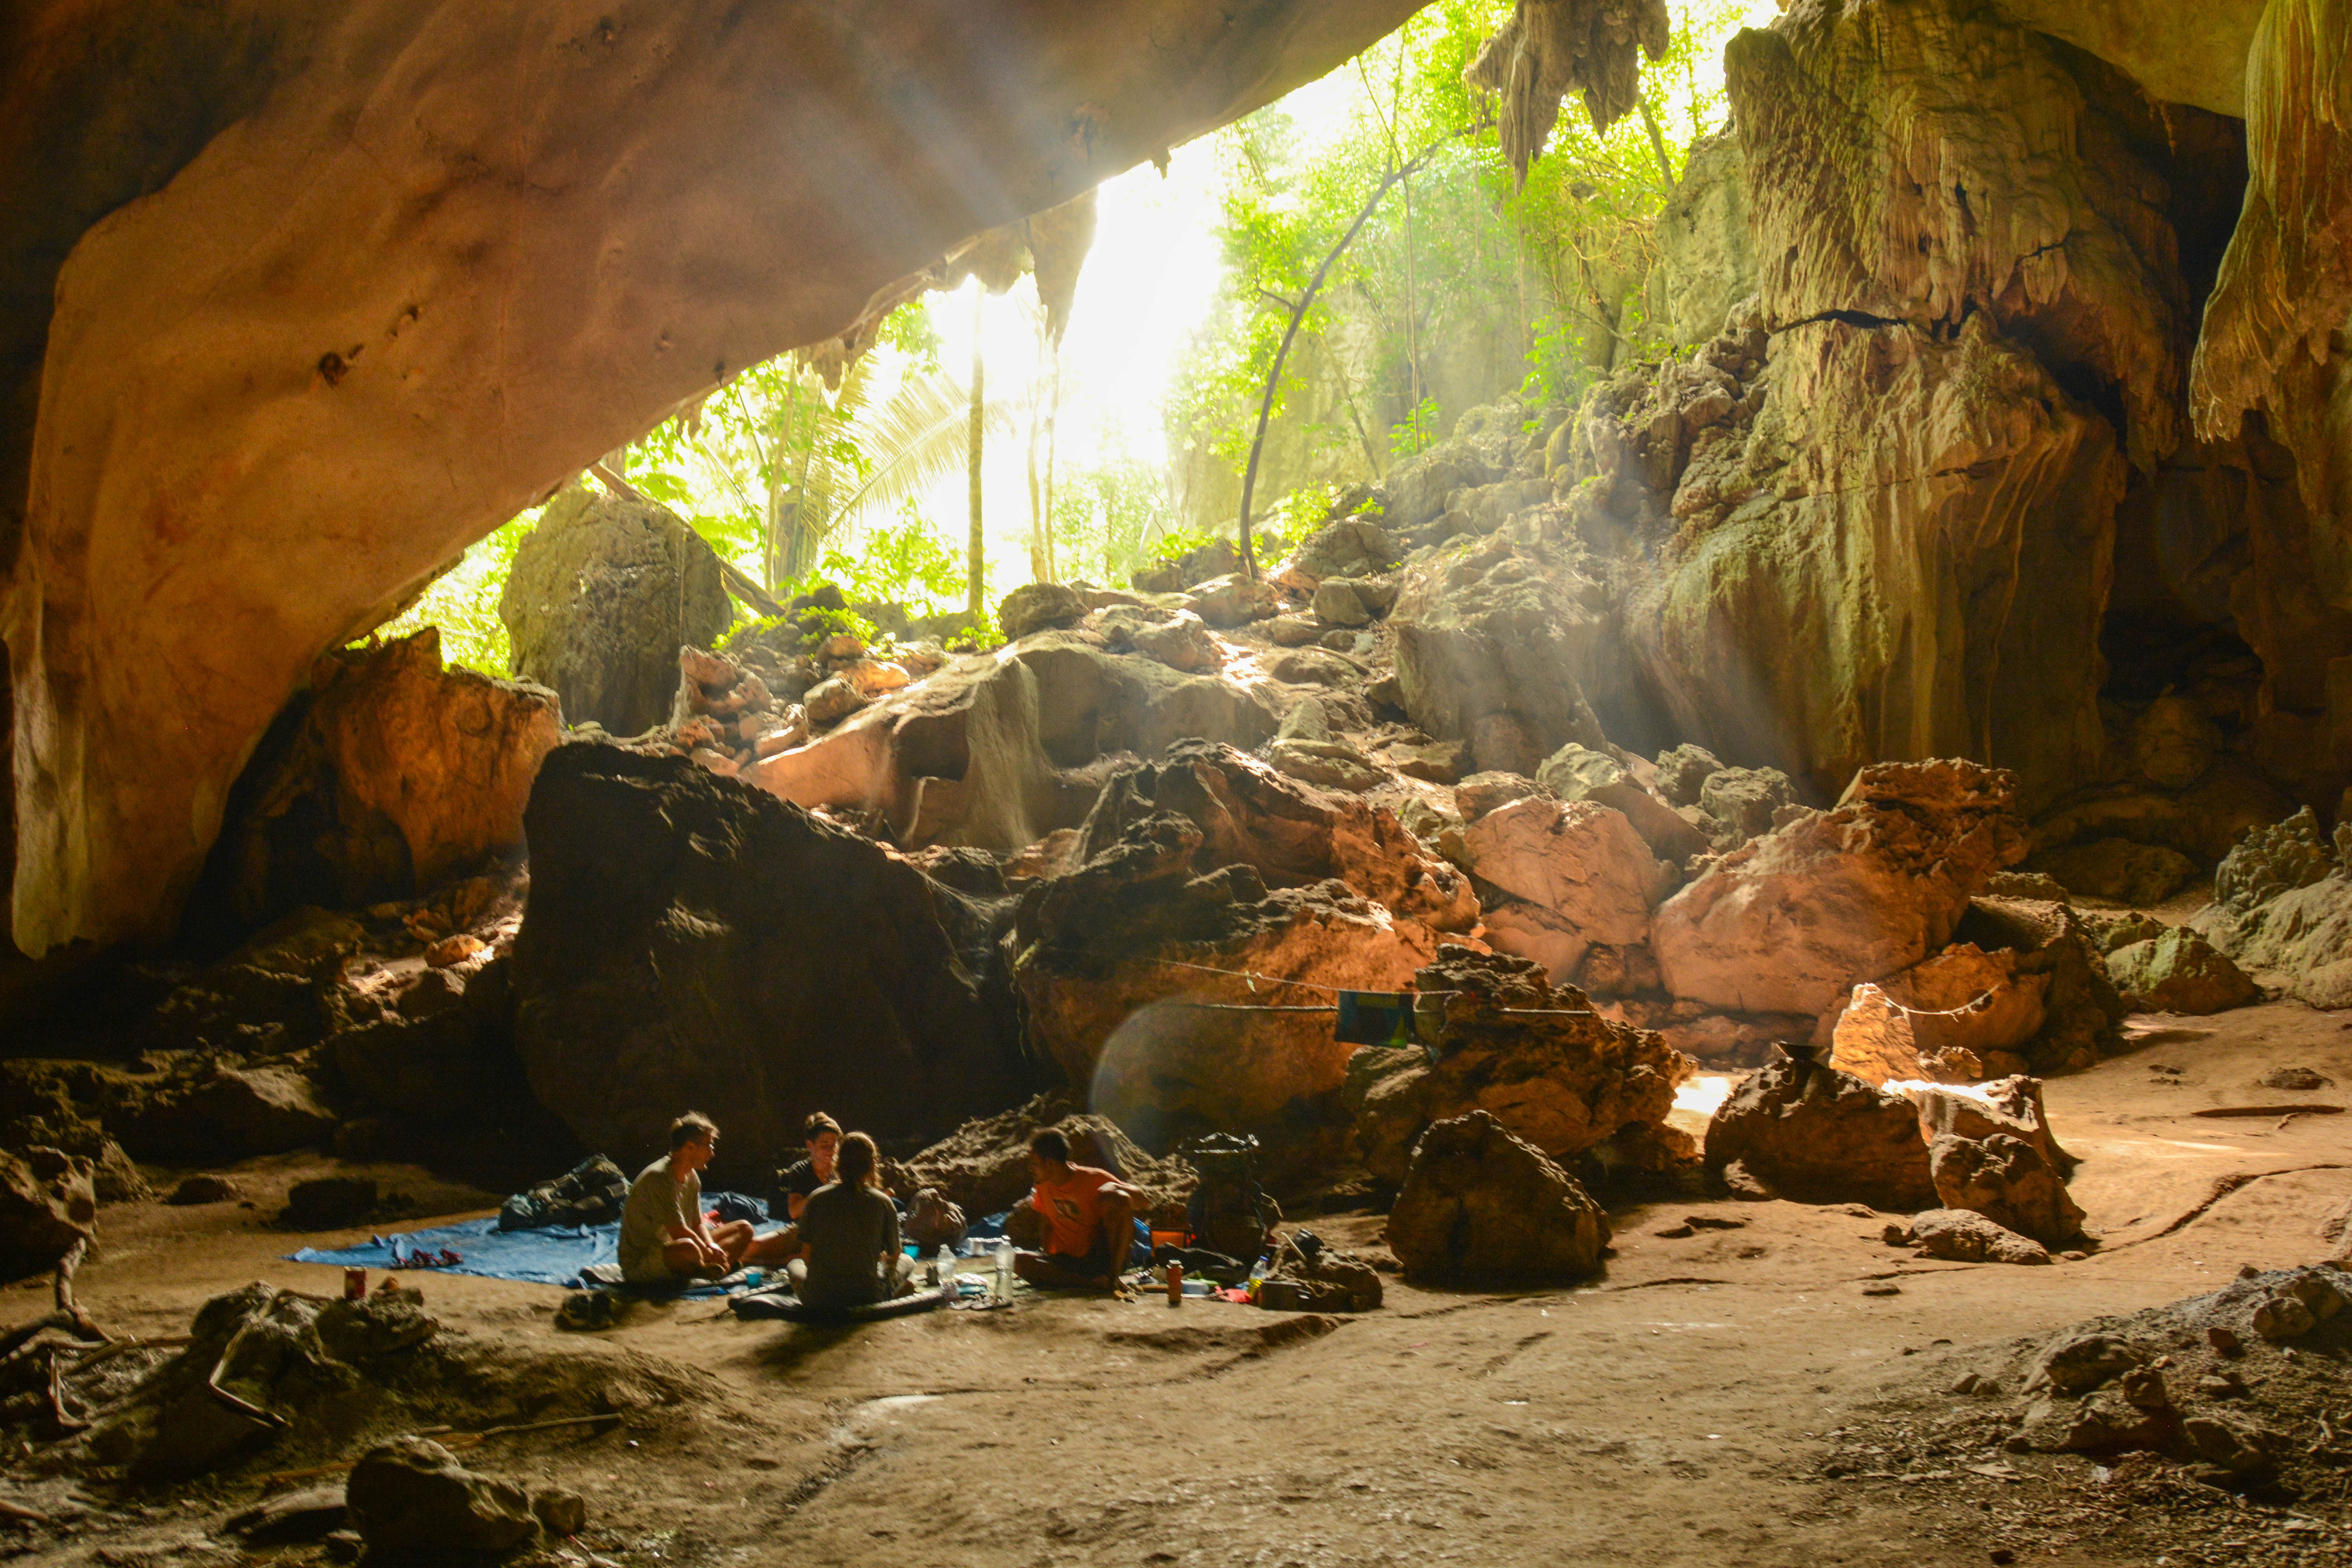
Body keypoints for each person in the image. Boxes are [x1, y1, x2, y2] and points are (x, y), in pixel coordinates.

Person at [617, 1112, 795, 1284]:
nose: (712, 1153)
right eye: (709, 1146)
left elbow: (697, 1223)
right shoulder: (659, 1178)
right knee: (689, 1247)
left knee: (745, 1229)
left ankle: (711, 1269)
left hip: (678, 1245)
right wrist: (709, 1252)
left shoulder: (692, 1177)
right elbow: (678, 1231)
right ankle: (711, 1268)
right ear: (690, 1148)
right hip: (644, 1260)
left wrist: (712, 1246)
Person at [786, 1132, 915, 1308]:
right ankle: (894, 1292)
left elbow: (806, 1257)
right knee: (907, 1261)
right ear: (872, 1165)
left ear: (838, 1162)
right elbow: (894, 1255)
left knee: (795, 1265)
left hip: (818, 1298)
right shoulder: (883, 1202)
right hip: (868, 1296)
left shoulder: (816, 1198)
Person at [1014, 1129, 1146, 1291]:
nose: (1030, 1168)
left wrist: (1116, 1186)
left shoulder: (1092, 1178)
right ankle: (1093, 1284)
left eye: (1034, 1163)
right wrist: (1045, 1257)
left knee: (1119, 1198)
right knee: (1017, 1261)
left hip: (1099, 1258)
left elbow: (1143, 1200)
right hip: (1068, 1260)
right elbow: (1047, 1225)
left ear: (1050, 1164)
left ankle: (1112, 1276)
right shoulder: (1043, 1185)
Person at [772, 1112, 841, 1222]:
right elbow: (794, 1212)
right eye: (824, 1146)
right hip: (809, 1227)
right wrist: (825, 1192)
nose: (830, 1151)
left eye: (834, 1145)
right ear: (810, 1145)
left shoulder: (842, 1169)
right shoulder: (800, 1171)